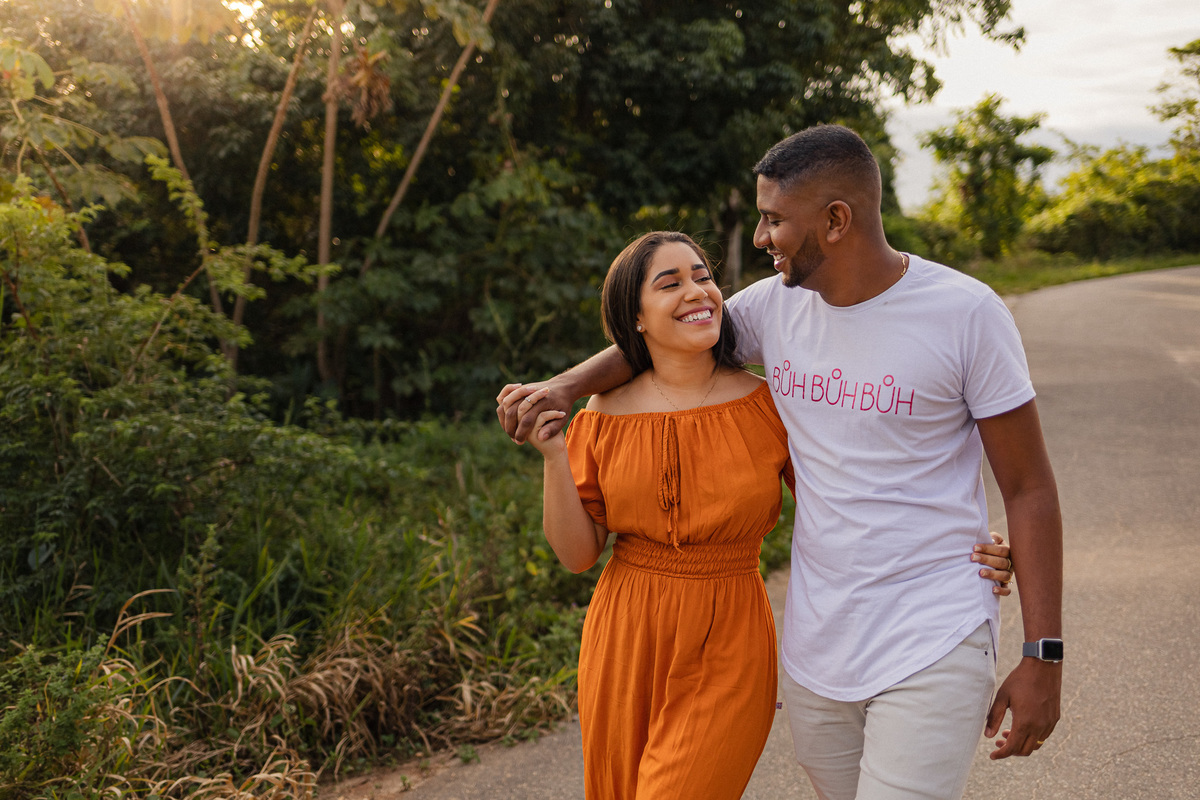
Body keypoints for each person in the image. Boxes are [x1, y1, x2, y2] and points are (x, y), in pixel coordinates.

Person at [500, 124, 1062, 800]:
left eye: (773, 219)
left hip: (934, 627)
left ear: (835, 220)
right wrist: (565, 386)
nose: (761, 236)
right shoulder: (775, 307)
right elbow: (664, 336)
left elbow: (1028, 487)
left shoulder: (966, 313)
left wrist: (1043, 654)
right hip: (819, 644)